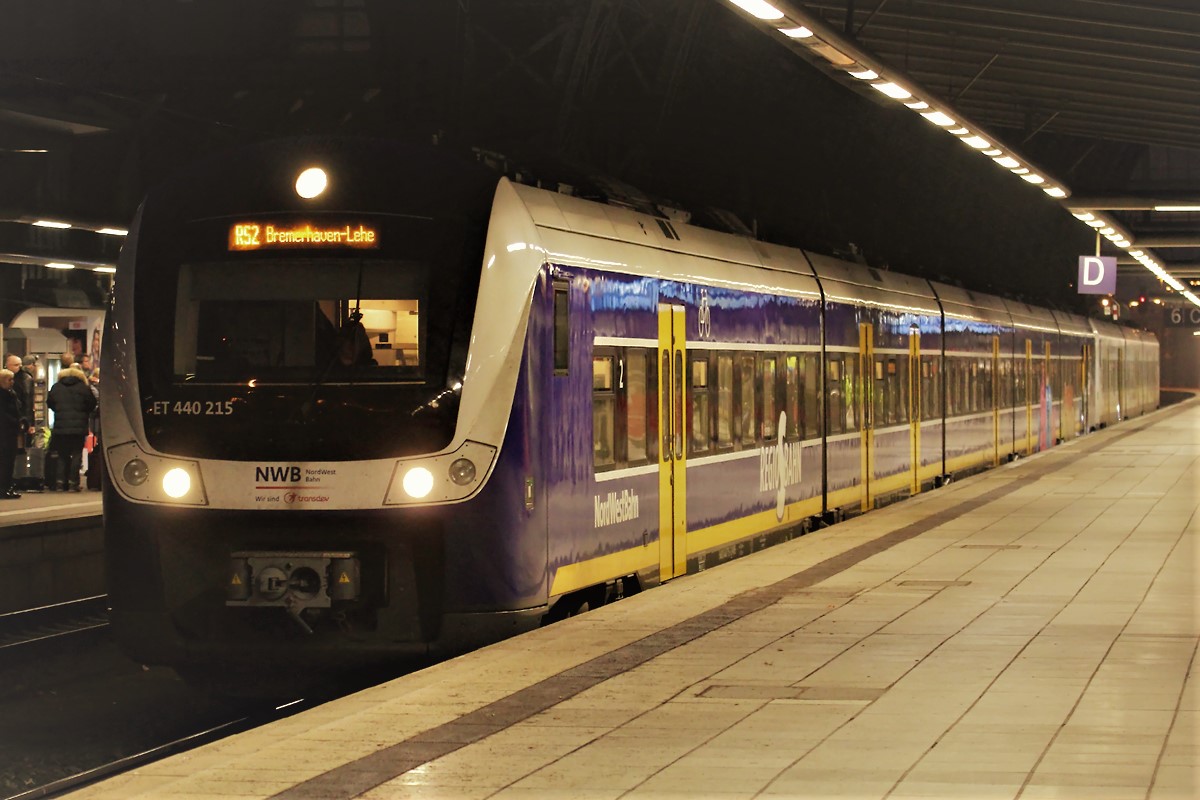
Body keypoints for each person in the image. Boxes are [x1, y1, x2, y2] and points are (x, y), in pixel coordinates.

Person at [47, 362, 96, 492]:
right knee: (76, 454)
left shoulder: (56, 387)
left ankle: (59, 483)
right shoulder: (84, 388)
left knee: (62, 455)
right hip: (79, 427)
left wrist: (59, 411)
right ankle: (73, 483)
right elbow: (91, 403)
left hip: (60, 427)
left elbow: (50, 403)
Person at [0, 368, 21, 499]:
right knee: (5, 461)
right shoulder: (4, 396)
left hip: (10, 432)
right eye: (9, 379)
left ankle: (7, 486)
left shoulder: (11, 394)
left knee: (9, 461)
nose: (12, 382)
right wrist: (15, 421)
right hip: (4, 432)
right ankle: (4, 488)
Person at [6, 354, 34, 446]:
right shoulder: (5, 377)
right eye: (16, 365)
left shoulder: (25, 378)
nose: (19, 367)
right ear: (8, 365)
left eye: (20, 364)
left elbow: (28, 402)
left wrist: (29, 422)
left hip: (21, 416)